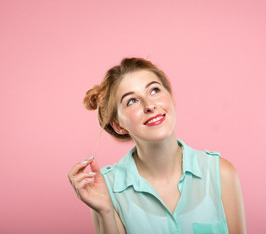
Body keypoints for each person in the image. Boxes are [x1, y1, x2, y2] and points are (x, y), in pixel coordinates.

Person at [68, 58, 246, 234]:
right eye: (132, 101)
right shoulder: (106, 190)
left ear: (171, 98)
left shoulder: (221, 173)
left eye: (154, 90)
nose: (150, 105)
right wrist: (105, 211)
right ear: (118, 125)